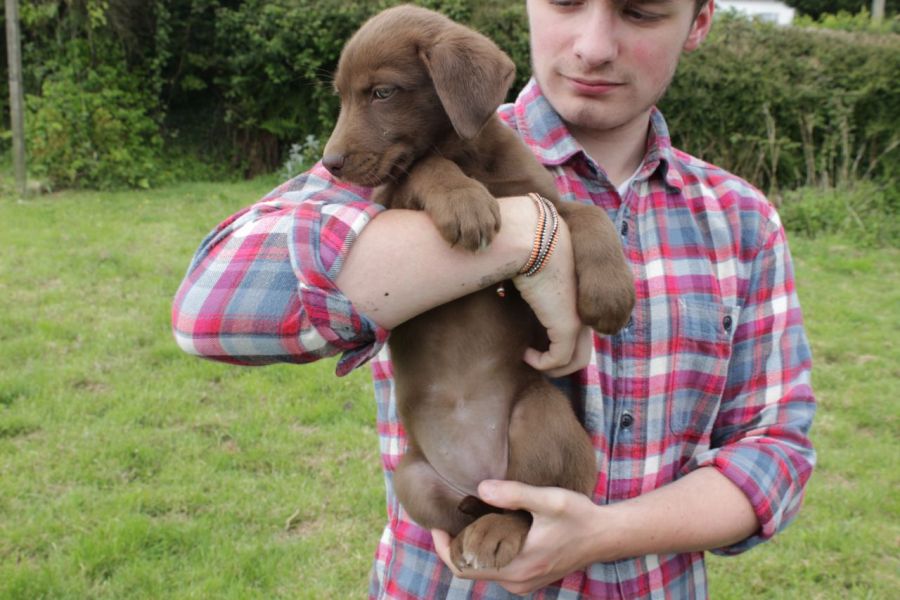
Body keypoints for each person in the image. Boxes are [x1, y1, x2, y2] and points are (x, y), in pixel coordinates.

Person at [172, 0, 816, 597]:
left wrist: (605, 534)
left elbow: (778, 451)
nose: (593, 45)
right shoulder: (390, 160)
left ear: (700, 20)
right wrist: (531, 235)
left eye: (640, 11)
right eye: (566, 1)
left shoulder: (741, 221)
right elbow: (209, 311)